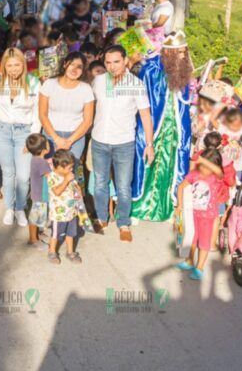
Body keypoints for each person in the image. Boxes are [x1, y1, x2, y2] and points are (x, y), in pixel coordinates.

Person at [90, 45, 153, 241]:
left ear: (125, 61)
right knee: (100, 183)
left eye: (116, 61)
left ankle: (123, 222)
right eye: (108, 62)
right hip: (99, 140)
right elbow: (88, 107)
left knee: (124, 186)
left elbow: (145, 114)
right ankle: (101, 218)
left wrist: (149, 144)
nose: (112, 66)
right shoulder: (99, 82)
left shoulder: (136, 84)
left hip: (124, 142)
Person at [133, 31, 193, 223]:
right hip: (152, 125)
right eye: (180, 53)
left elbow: (183, 102)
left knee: (169, 165)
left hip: (174, 129)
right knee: (144, 163)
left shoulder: (183, 71)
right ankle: (138, 207)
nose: (184, 56)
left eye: (185, 52)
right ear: (170, 53)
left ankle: (165, 207)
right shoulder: (150, 68)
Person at [0, 48, 40, 226]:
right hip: (1, 131)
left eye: (17, 65)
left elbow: (37, 113)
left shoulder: (33, 82)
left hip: (24, 133)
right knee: (8, 173)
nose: (13, 69)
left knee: (23, 175)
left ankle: (20, 208)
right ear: (4, 66)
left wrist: (32, 139)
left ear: (23, 64)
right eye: (9, 65)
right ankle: (9, 208)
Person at [175, 144, 232, 280]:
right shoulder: (195, 174)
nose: (204, 168)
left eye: (207, 166)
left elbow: (219, 171)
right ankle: (189, 261)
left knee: (204, 242)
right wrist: (179, 206)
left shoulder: (217, 176)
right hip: (192, 214)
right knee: (191, 239)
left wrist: (203, 160)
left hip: (208, 216)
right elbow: (181, 187)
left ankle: (199, 268)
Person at [38, 52, 94, 158]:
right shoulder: (49, 84)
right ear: (64, 64)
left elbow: (88, 121)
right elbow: (42, 115)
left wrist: (69, 141)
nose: (74, 69)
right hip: (51, 135)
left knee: (69, 172)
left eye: (79, 67)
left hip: (75, 138)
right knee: (51, 173)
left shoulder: (86, 89)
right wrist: (56, 139)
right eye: (72, 64)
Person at [46, 149, 85, 265]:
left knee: (71, 234)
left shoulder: (70, 176)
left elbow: (77, 191)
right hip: (58, 215)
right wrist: (66, 181)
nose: (71, 170)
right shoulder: (52, 177)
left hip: (71, 212)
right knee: (55, 234)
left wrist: (78, 189)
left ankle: (70, 252)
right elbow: (57, 192)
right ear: (59, 167)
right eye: (69, 168)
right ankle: (52, 251)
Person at [26, 133, 51, 248]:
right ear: (43, 150)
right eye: (47, 143)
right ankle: (33, 239)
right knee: (35, 218)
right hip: (40, 195)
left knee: (36, 217)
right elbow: (50, 177)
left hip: (36, 193)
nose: (49, 144)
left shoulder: (34, 159)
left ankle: (37, 235)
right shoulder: (42, 163)